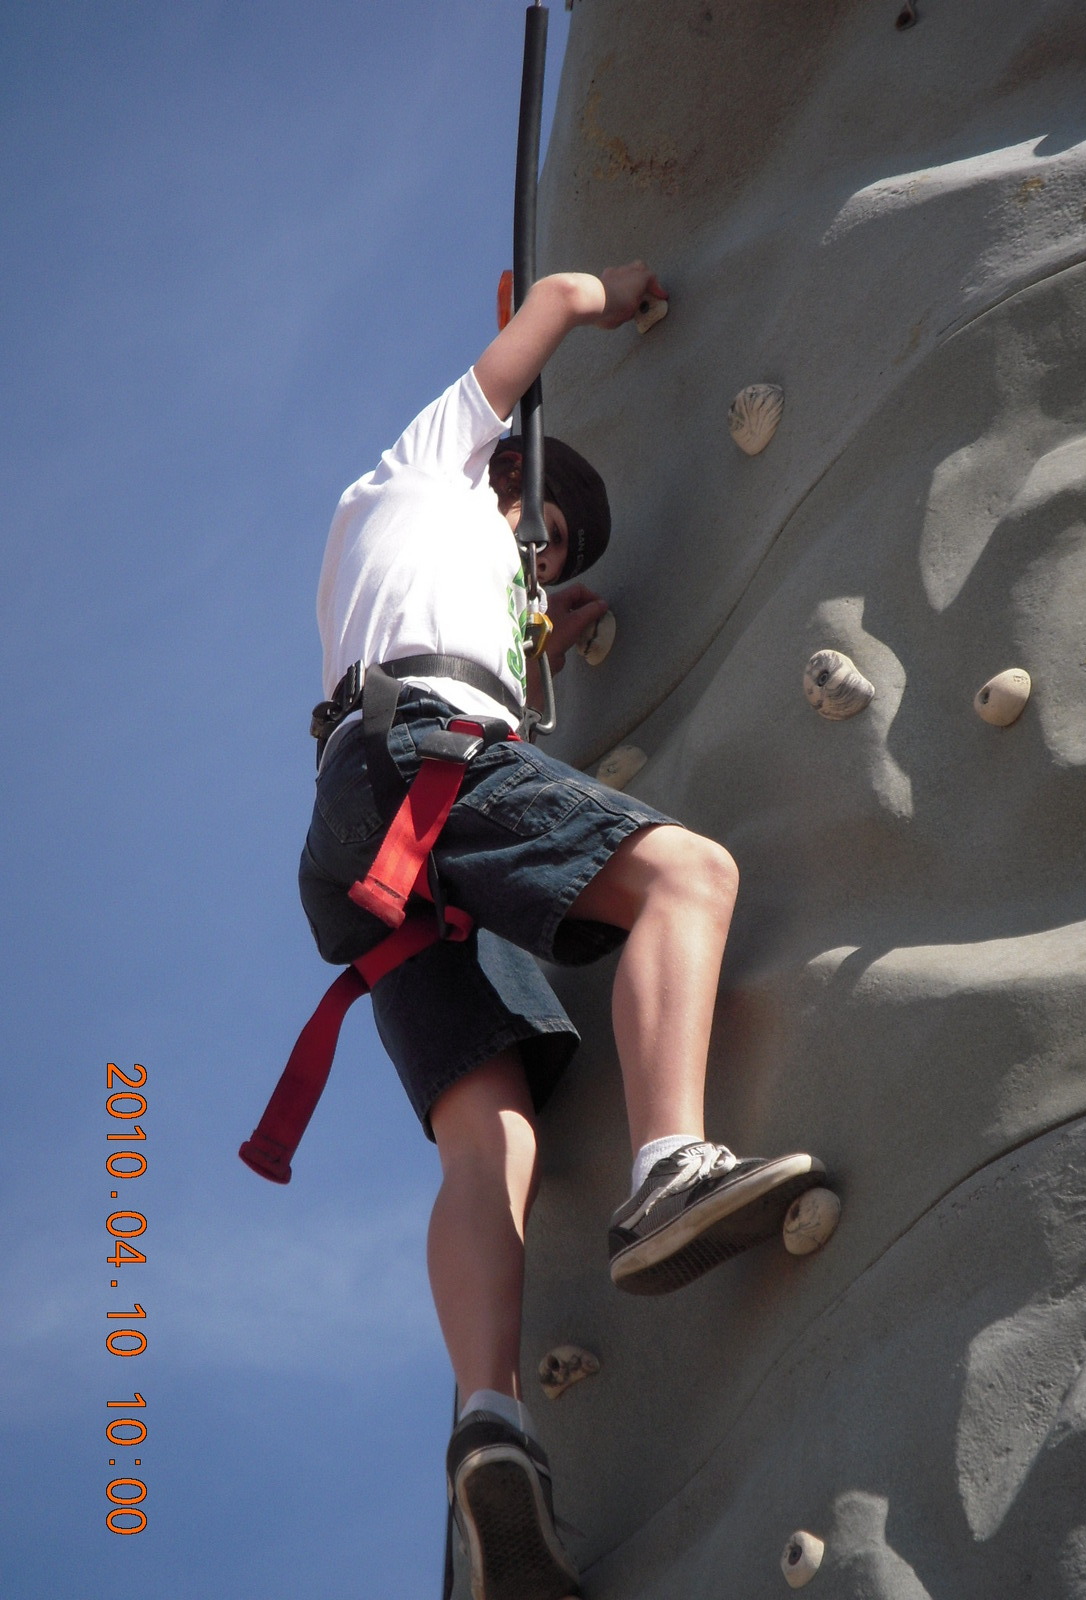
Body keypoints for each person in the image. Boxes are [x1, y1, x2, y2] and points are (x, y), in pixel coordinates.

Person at [298, 262, 828, 1600]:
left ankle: (491, 1421)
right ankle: (669, 1171)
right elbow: (536, 324)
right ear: (496, 474)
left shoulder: (422, 579)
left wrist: (536, 647)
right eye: (541, 529)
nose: (545, 559)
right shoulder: (426, 465)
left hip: (374, 820)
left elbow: (469, 645)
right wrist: (601, 292)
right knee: (687, 877)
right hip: (425, 758)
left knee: (495, 1137)